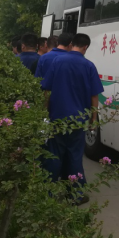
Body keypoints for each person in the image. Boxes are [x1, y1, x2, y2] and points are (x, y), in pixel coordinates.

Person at [41, 33, 103, 204]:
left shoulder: (57, 61)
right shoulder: (89, 66)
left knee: (54, 155)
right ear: (85, 47)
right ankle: (76, 195)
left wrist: (45, 111)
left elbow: (47, 90)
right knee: (75, 156)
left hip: (57, 118)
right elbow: (94, 96)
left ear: (71, 44)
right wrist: (93, 119)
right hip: (78, 120)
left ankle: (49, 195)